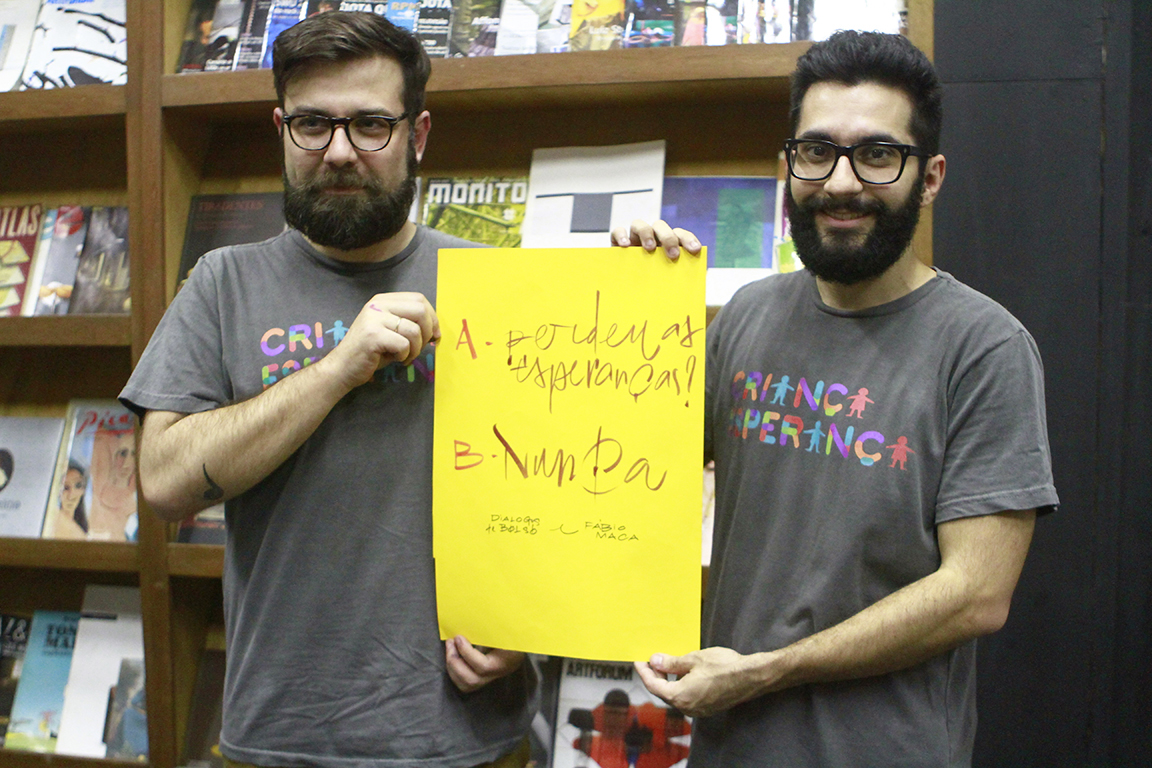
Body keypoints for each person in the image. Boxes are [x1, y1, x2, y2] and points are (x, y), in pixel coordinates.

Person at [617, 31, 1059, 767]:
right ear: (787, 165)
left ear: (931, 177)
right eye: (817, 151)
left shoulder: (985, 348)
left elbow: (976, 593)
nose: (842, 182)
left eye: (878, 154)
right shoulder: (747, 316)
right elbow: (627, 475)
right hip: (730, 748)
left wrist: (766, 671)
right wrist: (626, 311)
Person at [120, 11, 538, 768]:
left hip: (468, 737)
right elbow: (164, 480)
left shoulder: (499, 284)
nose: (339, 151)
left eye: (371, 125)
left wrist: (531, 627)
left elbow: (567, 496)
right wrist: (336, 369)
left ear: (417, 135)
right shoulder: (222, 283)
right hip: (281, 736)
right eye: (313, 124)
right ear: (281, 129)